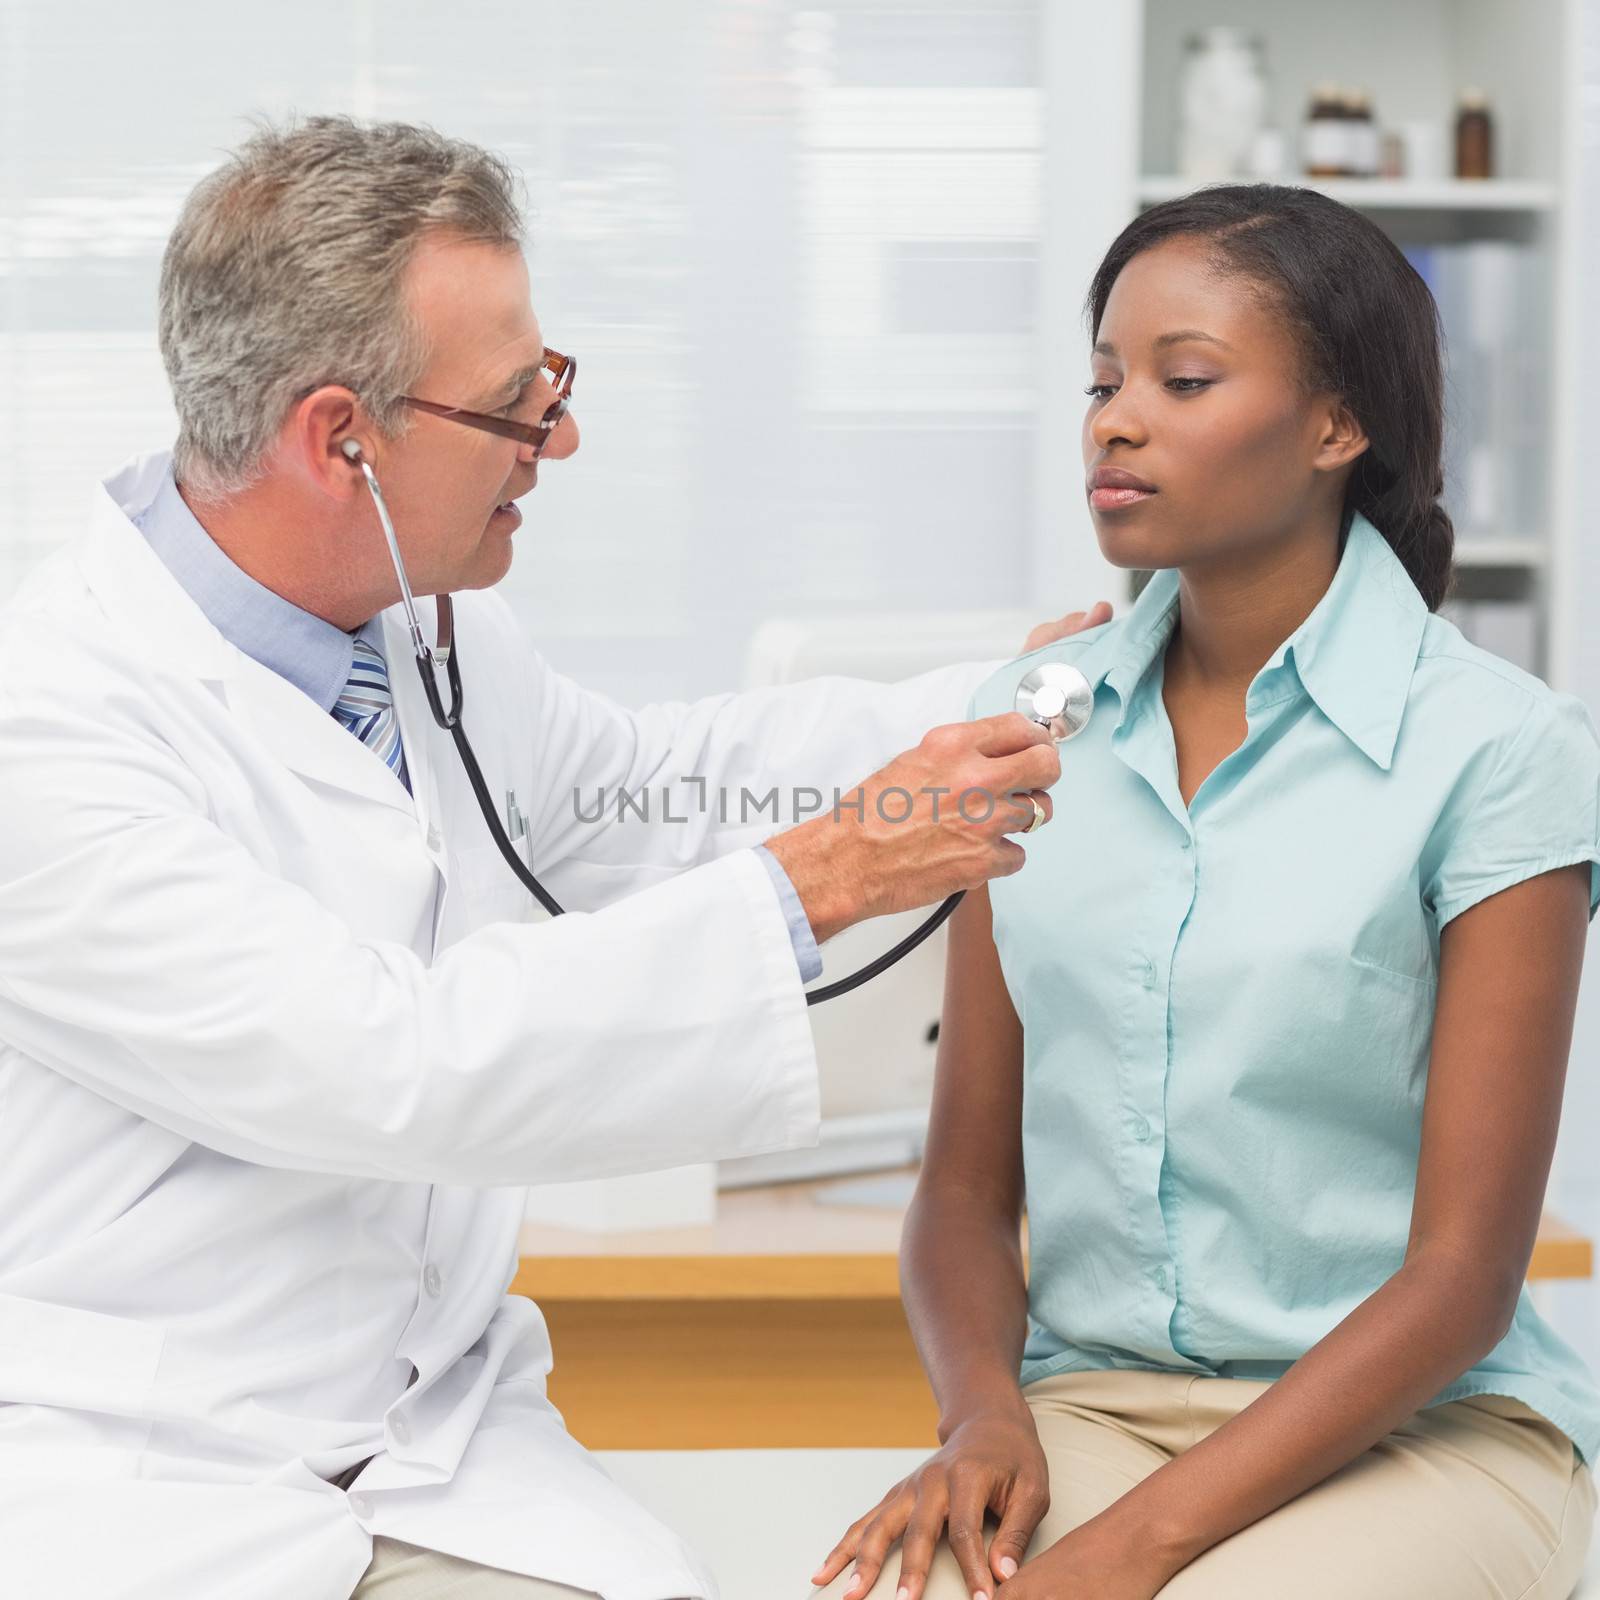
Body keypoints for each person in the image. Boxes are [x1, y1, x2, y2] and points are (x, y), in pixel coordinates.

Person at [0, 117, 1101, 1600]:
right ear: (344, 440)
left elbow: (642, 790)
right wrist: (829, 877)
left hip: (427, 1443)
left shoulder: (417, 626)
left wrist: (998, 701)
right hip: (151, 1473)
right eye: (520, 407)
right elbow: (382, 1062)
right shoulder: (48, 725)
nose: (560, 442)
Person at [811, 183, 1600, 1600]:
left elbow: (1465, 1278)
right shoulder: (1033, 721)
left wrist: (1134, 1551)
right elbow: (966, 1188)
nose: (1114, 420)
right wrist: (985, 1417)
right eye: (1106, 380)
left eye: (1184, 381)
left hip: (1420, 1430)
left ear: (1334, 427)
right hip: (1091, 1409)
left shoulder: (1500, 750)